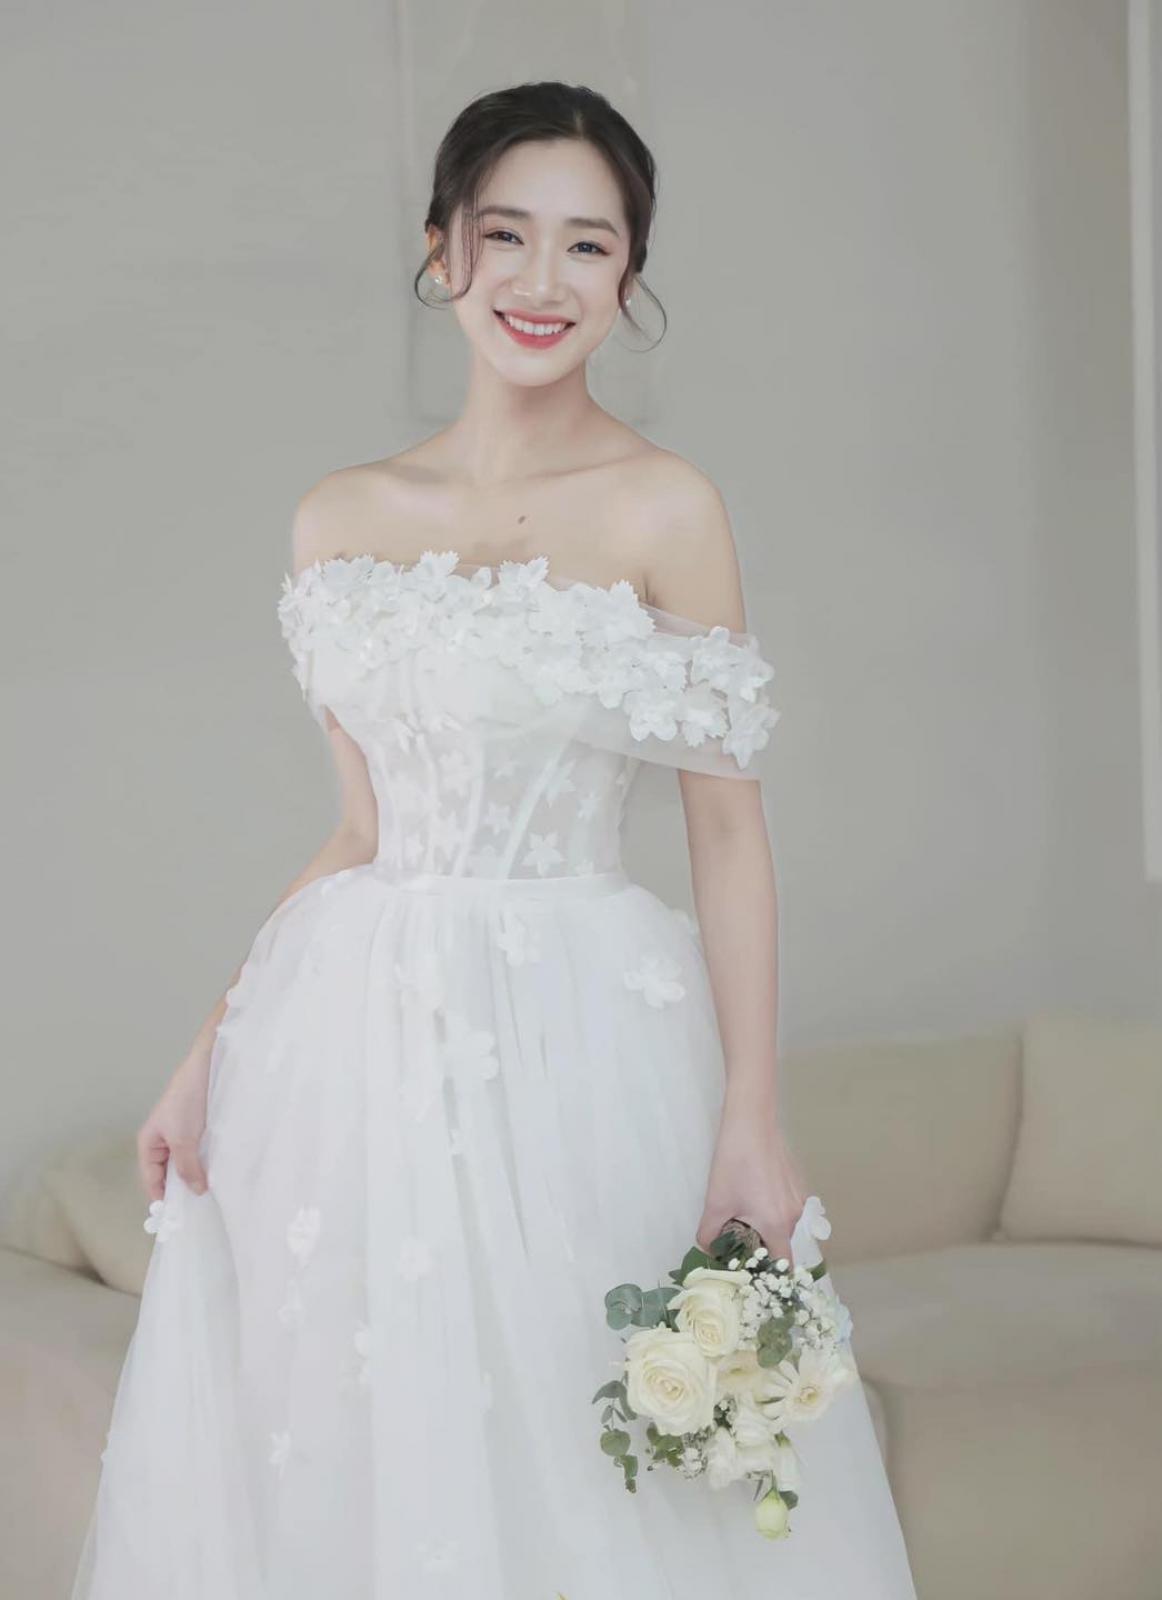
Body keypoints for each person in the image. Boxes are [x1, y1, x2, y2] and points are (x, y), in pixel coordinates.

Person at [70, 80, 918, 1599]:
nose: (541, 279)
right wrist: (206, 1053)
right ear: (440, 248)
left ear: (629, 275)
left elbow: (728, 836)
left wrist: (752, 1114)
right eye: (505, 234)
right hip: (346, 1049)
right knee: (358, 1443)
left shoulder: (664, 509)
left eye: (587, 245)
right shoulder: (339, 517)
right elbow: (358, 831)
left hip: (577, 1038)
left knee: (581, 1453)